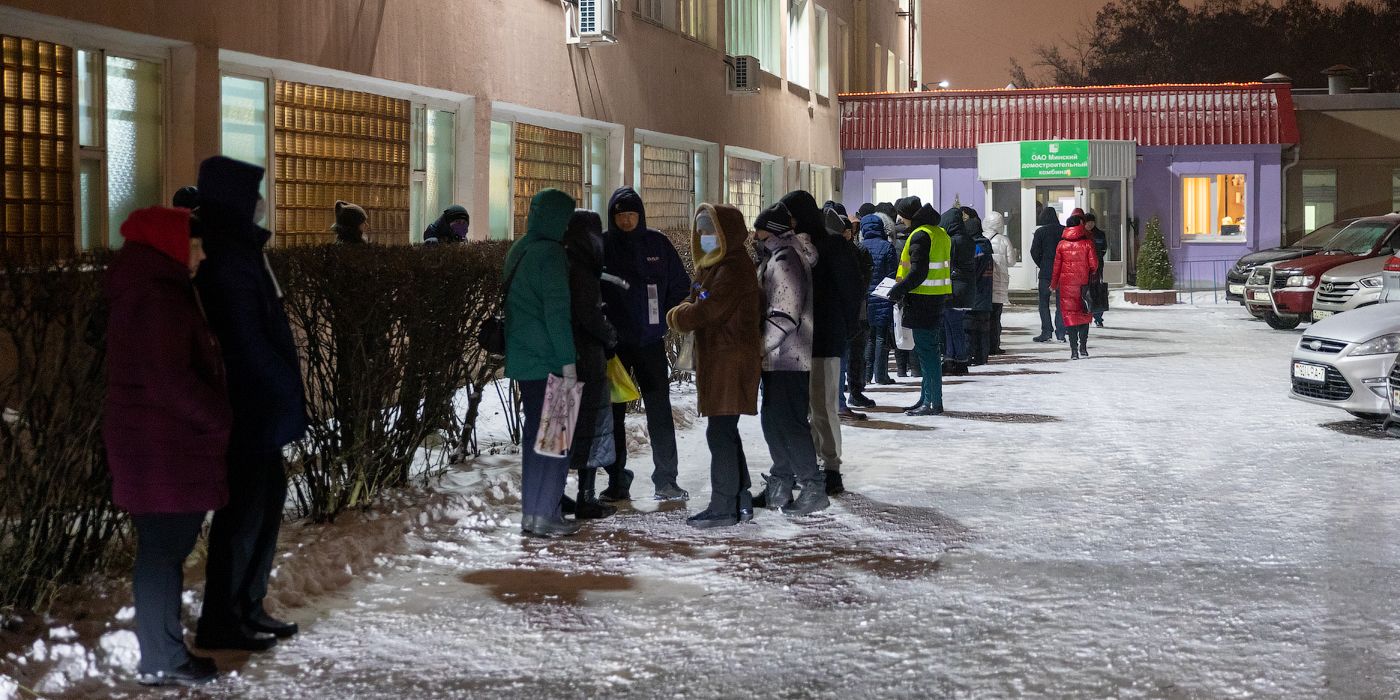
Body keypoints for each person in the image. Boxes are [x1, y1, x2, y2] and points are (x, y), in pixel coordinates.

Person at [105, 207, 230, 687]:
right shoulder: (159, 297)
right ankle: (161, 656)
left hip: (156, 442)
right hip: (163, 445)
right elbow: (170, 380)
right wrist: (217, 419)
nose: (200, 256)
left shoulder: (153, 289)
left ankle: (164, 651)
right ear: (172, 246)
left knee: (163, 549)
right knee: (162, 551)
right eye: (194, 247)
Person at [192, 156, 307, 652]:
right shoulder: (227, 253)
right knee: (243, 514)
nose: (262, 203)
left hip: (259, 403)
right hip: (247, 404)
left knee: (264, 506)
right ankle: (223, 616)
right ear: (237, 200)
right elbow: (245, 338)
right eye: (255, 193)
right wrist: (286, 385)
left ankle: (248, 604)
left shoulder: (240, 248)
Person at [667, 204, 764, 528]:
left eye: (712, 231)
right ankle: (740, 498)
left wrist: (676, 315)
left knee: (720, 433)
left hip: (730, 361)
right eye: (703, 231)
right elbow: (696, 298)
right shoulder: (716, 266)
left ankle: (724, 505)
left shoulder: (733, 268)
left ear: (727, 234)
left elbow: (706, 311)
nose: (705, 237)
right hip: (723, 360)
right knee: (724, 431)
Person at [599, 186, 692, 501]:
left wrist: (665, 318)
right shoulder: (603, 245)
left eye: (631, 214)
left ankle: (666, 479)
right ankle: (616, 481)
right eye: (620, 215)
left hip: (650, 343)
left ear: (640, 215)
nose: (626, 220)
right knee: (613, 413)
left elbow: (680, 284)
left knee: (659, 411)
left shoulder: (658, 243)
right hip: (614, 348)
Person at [503, 188, 580, 536]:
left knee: (536, 439)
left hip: (523, 358)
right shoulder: (551, 254)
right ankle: (546, 513)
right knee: (555, 440)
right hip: (549, 358)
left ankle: (531, 514)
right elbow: (557, 314)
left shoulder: (520, 248)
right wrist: (568, 362)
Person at [750, 203, 828, 515]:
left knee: (791, 422)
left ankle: (811, 486)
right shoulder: (775, 255)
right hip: (779, 357)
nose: (754, 234)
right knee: (773, 419)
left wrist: (759, 347)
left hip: (787, 356)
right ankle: (780, 482)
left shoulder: (784, 260)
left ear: (770, 230)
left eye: (758, 229)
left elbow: (784, 314)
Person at [782, 191, 859, 493]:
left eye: (790, 215)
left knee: (823, 405)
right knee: (802, 406)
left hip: (824, 337)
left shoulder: (831, 244)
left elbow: (850, 290)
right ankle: (807, 464)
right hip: (794, 339)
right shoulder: (788, 246)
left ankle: (830, 467)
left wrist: (847, 325)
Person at [562, 209, 618, 520]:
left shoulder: (562, 264)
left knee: (561, 429)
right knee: (590, 430)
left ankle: (554, 494)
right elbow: (590, 316)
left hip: (564, 360)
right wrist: (611, 336)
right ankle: (586, 497)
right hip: (587, 361)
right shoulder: (581, 271)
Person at [888, 203, 950, 416]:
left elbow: (918, 271)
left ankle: (932, 402)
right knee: (928, 351)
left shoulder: (920, 235)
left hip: (922, 300)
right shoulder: (939, 232)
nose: (900, 221)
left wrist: (898, 290)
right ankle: (927, 397)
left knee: (928, 353)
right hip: (935, 298)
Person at [828, 201, 874, 423]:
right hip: (841, 318)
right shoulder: (842, 252)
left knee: (844, 359)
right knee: (840, 361)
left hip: (844, 317)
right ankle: (837, 404)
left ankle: (839, 402)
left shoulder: (852, 250)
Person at [1052, 213, 1100, 360]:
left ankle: (1073, 350)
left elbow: (1056, 267)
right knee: (1084, 315)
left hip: (1067, 288)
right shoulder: (1087, 244)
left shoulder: (1061, 245)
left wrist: (1054, 284)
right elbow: (1094, 265)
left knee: (1071, 317)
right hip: (1084, 286)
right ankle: (1083, 347)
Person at [861, 212, 898, 384]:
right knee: (881, 337)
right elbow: (892, 274)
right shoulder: (887, 246)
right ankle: (881, 375)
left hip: (865, 298)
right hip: (882, 297)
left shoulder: (859, 246)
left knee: (868, 337)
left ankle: (866, 375)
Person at [941, 206, 975, 376]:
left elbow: (947, 264)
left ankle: (958, 360)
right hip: (966, 288)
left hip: (954, 287)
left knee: (952, 327)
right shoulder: (969, 239)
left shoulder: (952, 241)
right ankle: (953, 360)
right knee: (954, 325)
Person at [890, 197, 922, 378]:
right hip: (918, 290)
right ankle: (916, 369)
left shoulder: (893, 240)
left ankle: (901, 369)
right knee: (915, 332)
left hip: (899, 288)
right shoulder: (921, 236)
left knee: (899, 329)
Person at [962, 207, 995, 366]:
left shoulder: (974, 248)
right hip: (986, 295)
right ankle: (982, 357)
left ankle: (968, 356)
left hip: (974, 295)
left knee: (969, 328)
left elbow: (972, 272)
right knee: (983, 329)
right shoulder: (987, 246)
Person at [1030, 206, 1066, 342]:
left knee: (1044, 303)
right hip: (1062, 272)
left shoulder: (1040, 232)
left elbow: (1034, 252)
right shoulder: (1064, 230)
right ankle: (1061, 332)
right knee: (1061, 303)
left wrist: (1042, 264)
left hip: (1046, 272)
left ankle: (1046, 331)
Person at [985, 211, 1013, 355]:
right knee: (996, 317)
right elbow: (1012, 261)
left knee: (984, 317)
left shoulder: (981, 238)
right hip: (999, 283)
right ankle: (994, 345)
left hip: (985, 283)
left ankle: (984, 346)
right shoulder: (1004, 240)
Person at [1085, 212, 1108, 327]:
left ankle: (1098, 317)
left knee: (1097, 291)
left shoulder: (1099, 234)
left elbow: (1104, 249)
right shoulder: (1082, 235)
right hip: (1084, 268)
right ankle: (1086, 315)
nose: (1090, 224)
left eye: (1092, 222)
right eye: (1088, 222)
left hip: (1097, 267)